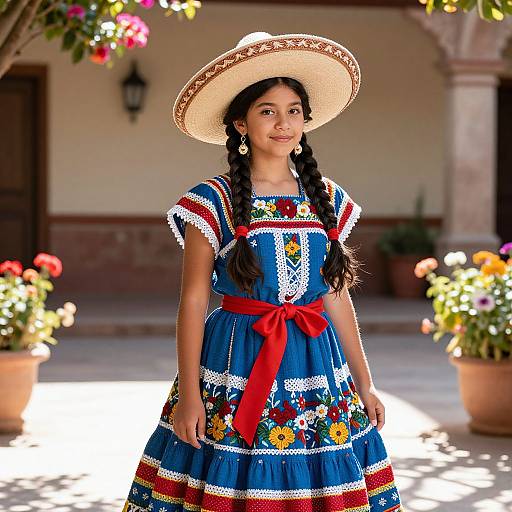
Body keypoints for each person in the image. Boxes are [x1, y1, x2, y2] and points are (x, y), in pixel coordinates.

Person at [123, 31, 404, 512]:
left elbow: (335, 296)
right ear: (240, 123)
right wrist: (189, 393)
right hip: (234, 361)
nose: (283, 123)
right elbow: (194, 300)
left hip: (319, 369)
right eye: (268, 111)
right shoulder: (209, 201)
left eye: (294, 109)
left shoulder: (327, 198)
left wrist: (366, 382)